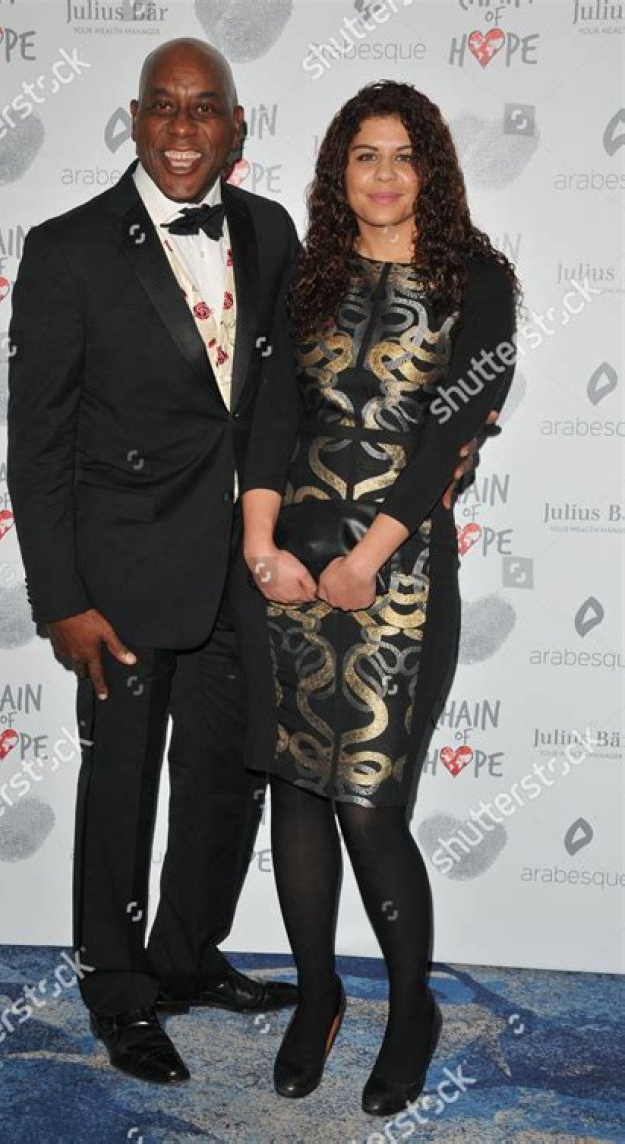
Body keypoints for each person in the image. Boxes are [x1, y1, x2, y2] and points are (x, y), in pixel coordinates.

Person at [6, 37, 303, 1086]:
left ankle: (185, 956)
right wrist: (61, 598)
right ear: (135, 120)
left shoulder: (270, 230)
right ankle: (120, 989)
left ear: (236, 127)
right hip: (121, 577)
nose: (183, 128)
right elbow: (38, 444)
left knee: (228, 778)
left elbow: (286, 398)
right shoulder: (69, 249)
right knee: (121, 791)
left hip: (241, 568)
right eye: (163, 107)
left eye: (204, 107)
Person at [237, 80, 519, 1114]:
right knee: (296, 790)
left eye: (405, 155)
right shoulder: (307, 276)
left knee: (367, 800)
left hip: (399, 574)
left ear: (431, 169)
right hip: (287, 570)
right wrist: (260, 546)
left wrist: (370, 556)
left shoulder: (477, 281)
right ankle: (317, 997)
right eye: (365, 154)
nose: (385, 174)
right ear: (339, 171)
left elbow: (449, 435)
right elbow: (272, 417)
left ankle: (410, 1009)